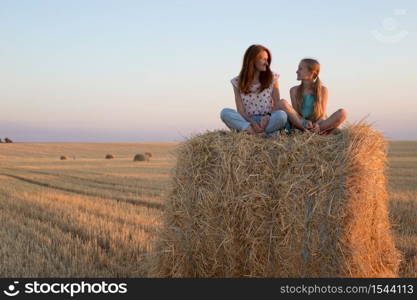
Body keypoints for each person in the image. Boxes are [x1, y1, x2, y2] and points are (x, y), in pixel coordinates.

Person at [220, 44, 288, 136]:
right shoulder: (237, 82)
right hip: (247, 120)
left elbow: (277, 104)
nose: (267, 63)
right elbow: (241, 111)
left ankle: (251, 134)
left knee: (282, 115)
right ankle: (260, 133)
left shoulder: (272, 78)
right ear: (253, 60)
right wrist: (252, 123)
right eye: (264, 59)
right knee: (225, 113)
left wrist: (267, 116)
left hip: (267, 120)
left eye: (267, 60)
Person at [287, 58, 347, 134]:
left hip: (318, 124)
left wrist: (317, 125)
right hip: (302, 124)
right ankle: (306, 130)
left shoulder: (323, 90)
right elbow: (296, 114)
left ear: (311, 73)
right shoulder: (294, 90)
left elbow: (322, 114)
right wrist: (305, 122)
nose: (297, 71)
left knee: (343, 113)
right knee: (283, 103)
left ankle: (317, 130)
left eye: (300, 69)